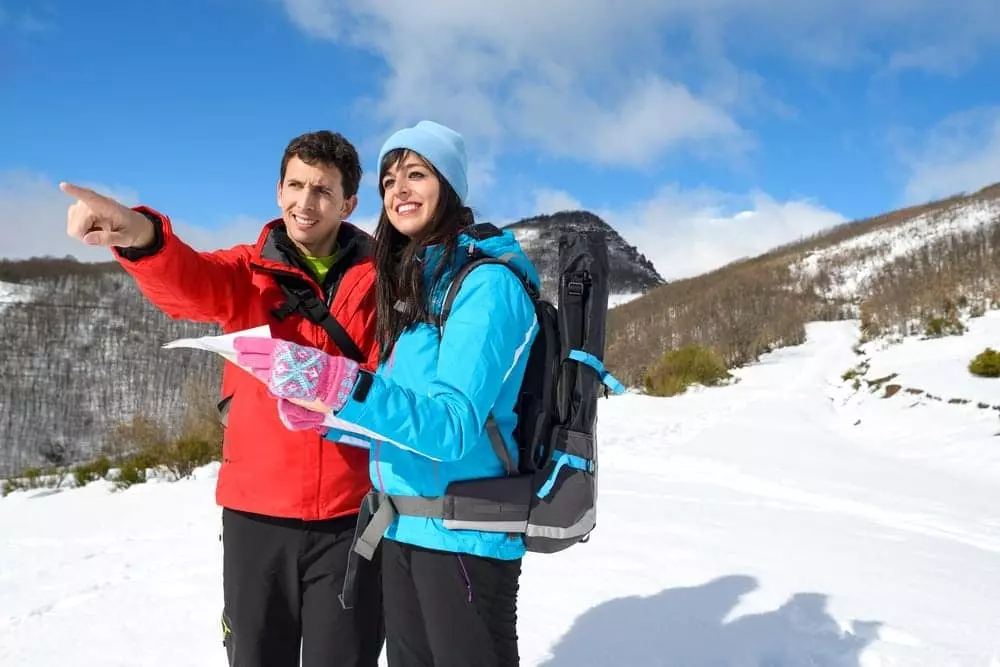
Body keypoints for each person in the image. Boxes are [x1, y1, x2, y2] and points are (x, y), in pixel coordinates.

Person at [61, 130, 385, 667]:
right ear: (279, 190)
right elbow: (189, 279)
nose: (306, 202)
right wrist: (138, 233)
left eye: (323, 190)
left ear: (348, 203)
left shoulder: (380, 280)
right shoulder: (246, 271)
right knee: (256, 655)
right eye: (296, 185)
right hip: (256, 516)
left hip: (351, 516)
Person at [234, 120, 537, 667]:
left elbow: (450, 427)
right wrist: (328, 415)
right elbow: (400, 414)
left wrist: (342, 385)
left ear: (450, 186)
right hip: (405, 529)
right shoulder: (420, 287)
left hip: (465, 539)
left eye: (416, 174)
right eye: (389, 179)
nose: (399, 190)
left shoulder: (487, 286)